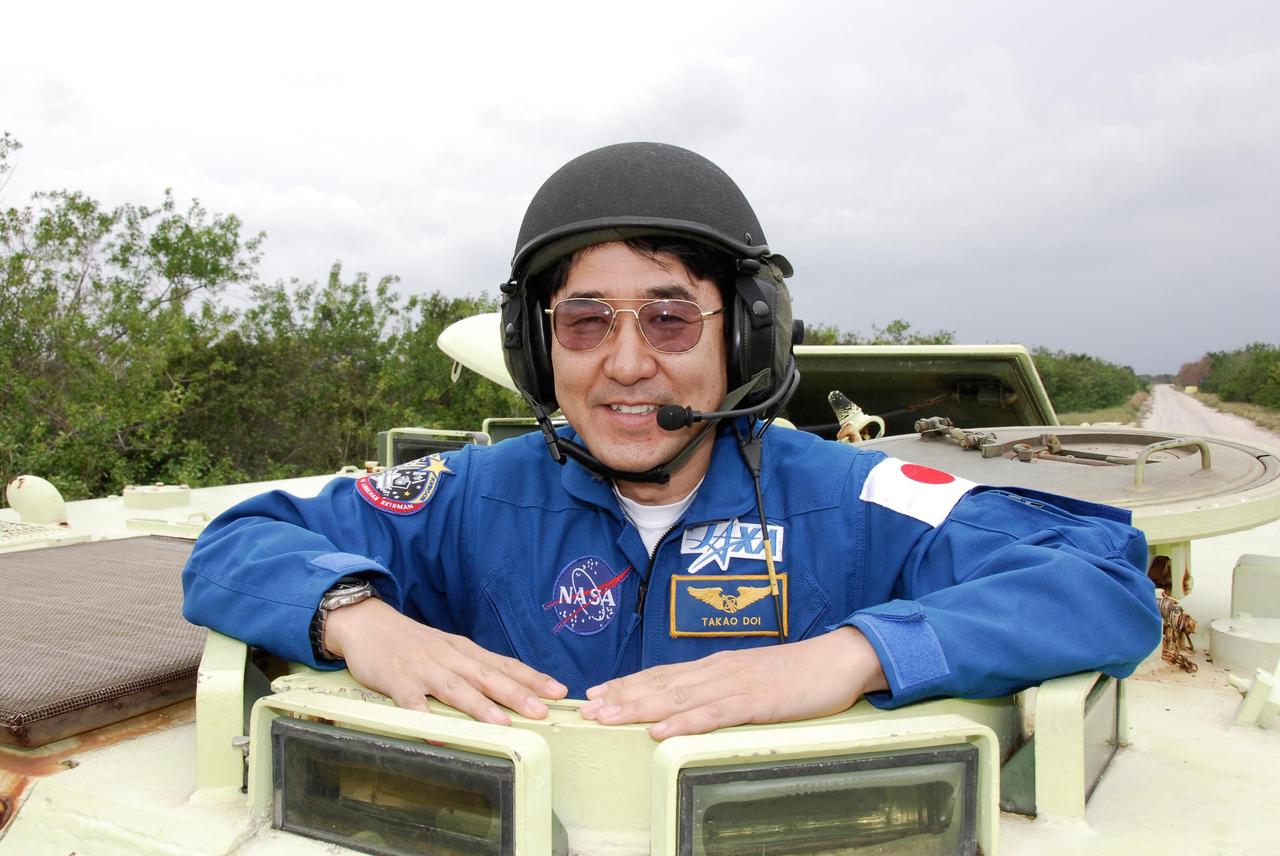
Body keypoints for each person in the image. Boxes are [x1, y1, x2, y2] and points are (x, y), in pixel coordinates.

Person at [182, 142, 1161, 740]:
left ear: (742, 335)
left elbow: (1102, 581)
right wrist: (360, 620)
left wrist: (852, 653)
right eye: (583, 322)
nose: (622, 364)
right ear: (536, 345)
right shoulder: (474, 493)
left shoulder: (854, 497)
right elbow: (237, 544)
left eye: (668, 319)